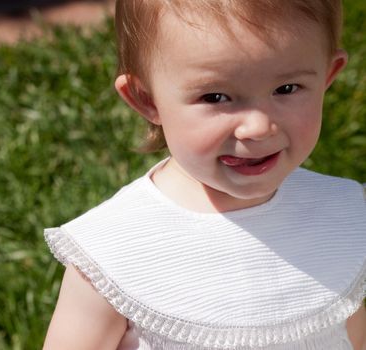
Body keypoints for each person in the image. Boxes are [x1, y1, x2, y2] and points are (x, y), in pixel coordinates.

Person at [43, 0, 366, 349]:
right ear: (146, 99)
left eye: (286, 89)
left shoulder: (344, 216)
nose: (257, 127)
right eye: (216, 97)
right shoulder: (114, 253)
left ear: (328, 76)